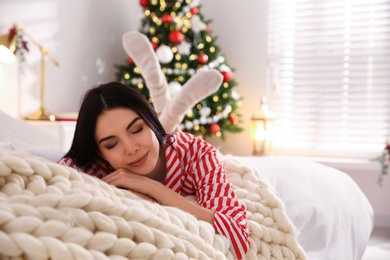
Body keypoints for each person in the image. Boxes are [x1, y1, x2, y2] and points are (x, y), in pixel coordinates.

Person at [57, 82, 249, 258]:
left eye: (137, 130)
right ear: (100, 151)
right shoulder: (96, 168)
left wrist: (153, 189)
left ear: (151, 120)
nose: (131, 148)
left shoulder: (195, 154)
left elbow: (238, 239)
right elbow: (54, 184)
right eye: (112, 144)